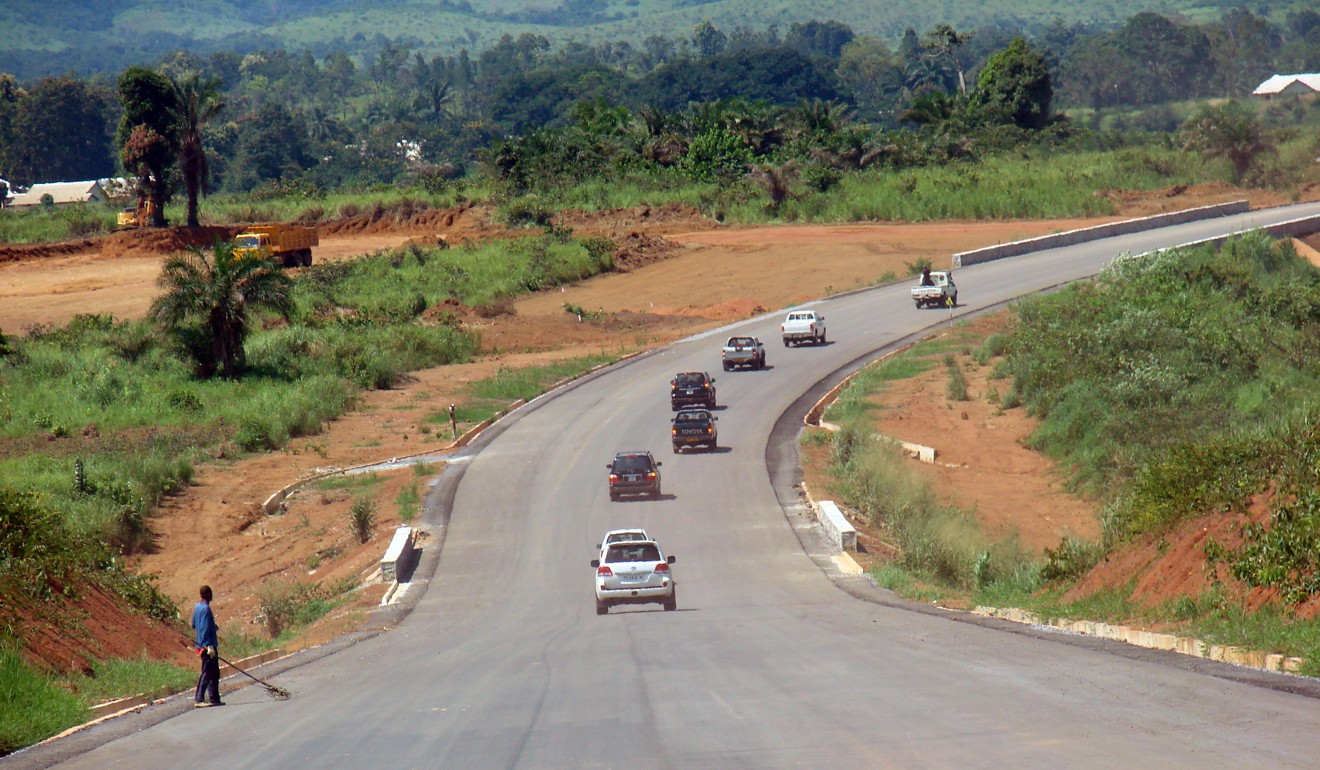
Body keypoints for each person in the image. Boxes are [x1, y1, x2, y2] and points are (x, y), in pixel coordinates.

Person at [192, 585, 223, 707]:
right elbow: (204, 628)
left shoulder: (197, 607)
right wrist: (208, 645)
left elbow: (194, 624)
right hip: (207, 646)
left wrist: (213, 627)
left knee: (214, 672)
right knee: (206, 672)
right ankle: (199, 699)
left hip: (201, 644)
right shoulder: (205, 609)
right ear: (209, 595)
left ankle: (214, 698)